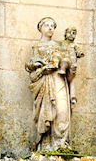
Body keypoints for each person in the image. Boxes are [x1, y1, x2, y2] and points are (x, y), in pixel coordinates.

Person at [26, 17, 81, 150]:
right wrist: (41, 67)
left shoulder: (60, 46)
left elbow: (68, 63)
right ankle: (46, 143)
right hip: (45, 81)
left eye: (52, 26)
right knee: (48, 111)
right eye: (47, 25)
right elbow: (30, 65)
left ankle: (60, 142)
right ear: (41, 28)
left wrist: (71, 68)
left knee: (62, 110)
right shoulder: (36, 47)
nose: (50, 28)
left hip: (59, 79)